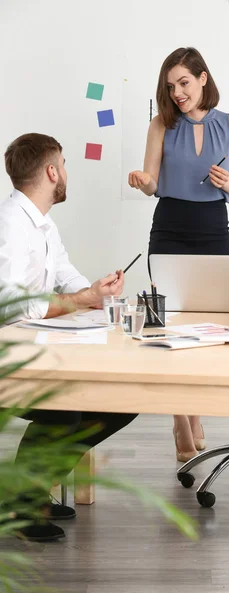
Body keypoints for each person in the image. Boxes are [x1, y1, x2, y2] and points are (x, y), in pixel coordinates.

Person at [1, 133, 138, 541]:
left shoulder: (42, 223)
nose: (65, 171)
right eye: (63, 163)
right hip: (11, 354)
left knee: (123, 400)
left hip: (36, 345)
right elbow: (13, 303)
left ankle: (29, 493)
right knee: (65, 407)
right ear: (51, 171)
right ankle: (20, 502)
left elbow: (65, 273)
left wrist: (98, 294)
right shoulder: (11, 224)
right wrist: (80, 299)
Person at [128, 47, 229, 462]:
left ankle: (195, 409)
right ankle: (181, 419)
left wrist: (227, 181)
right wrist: (143, 179)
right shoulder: (161, 125)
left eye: (183, 83)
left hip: (214, 229)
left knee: (210, 325)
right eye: (170, 86)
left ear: (202, 78)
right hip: (170, 227)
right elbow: (151, 183)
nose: (177, 92)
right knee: (168, 328)